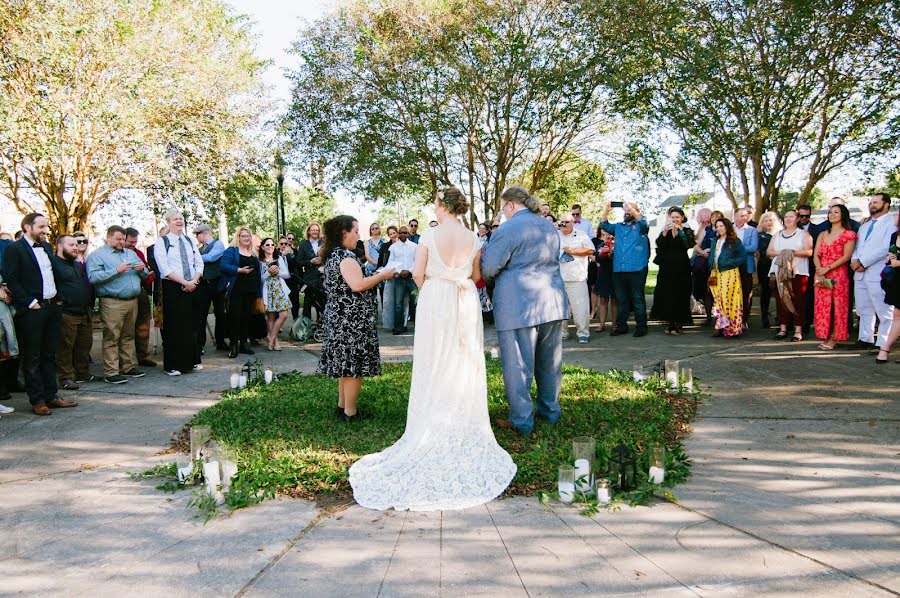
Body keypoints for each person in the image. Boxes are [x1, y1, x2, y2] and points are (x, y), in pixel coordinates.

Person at [349, 187, 515, 511]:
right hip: (465, 299)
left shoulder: (428, 235)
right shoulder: (473, 237)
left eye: (435, 202)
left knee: (434, 362)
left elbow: (418, 274)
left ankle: (433, 422)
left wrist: (436, 293)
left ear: (441, 206)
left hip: (437, 299)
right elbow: (477, 276)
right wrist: (458, 284)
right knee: (463, 362)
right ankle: (462, 420)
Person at [481, 186, 569, 436]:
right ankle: (550, 412)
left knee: (518, 364)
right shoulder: (548, 226)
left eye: (502, 208)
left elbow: (488, 269)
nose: (503, 213)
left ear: (510, 205)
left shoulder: (507, 229)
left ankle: (522, 421)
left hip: (518, 304)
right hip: (551, 300)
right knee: (549, 362)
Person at [317, 216, 394, 420]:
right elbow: (357, 285)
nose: (359, 236)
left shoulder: (333, 255)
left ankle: (343, 407)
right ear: (344, 233)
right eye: (356, 231)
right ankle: (351, 412)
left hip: (338, 317)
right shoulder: (346, 257)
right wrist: (382, 275)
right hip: (351, 321)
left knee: (345, 365)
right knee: (353, 368)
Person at [2, 213, 77, 415]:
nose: (45, 230)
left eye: (46, 226)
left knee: (49, 354)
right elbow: (12, 279)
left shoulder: (46, 247)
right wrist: (30, 302)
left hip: (53, 307)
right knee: (32, 357)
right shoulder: (14, 249)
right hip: (33, 309)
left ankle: (52, 396)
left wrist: (59, 298)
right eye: (41, 226)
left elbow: (50, 275)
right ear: (27, 227)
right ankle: (37, 400)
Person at [87, 225, 149, 384]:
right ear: (108, 238)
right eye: (118, 239)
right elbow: (93, 278)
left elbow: (145, 274)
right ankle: (111, 372)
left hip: (132, 300)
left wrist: (142, 269)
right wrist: (116, 270)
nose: (122, 242)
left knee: (128, 335)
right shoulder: (98, 255)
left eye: (123, 239)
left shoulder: (130, 253)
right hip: (112, 301)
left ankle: (128, 367)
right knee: (112, 336)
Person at [153, 210, 204, 376]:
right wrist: (184, 283)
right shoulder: (162, 242)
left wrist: (194, 281)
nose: (179, 221)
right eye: (175, 219)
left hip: (192, 286)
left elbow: (199, 263)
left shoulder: (189, 240)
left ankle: (193, 360)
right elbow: (164, 268)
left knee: (192, 325)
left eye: (181, 218)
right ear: (169, 222)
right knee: (175, 327)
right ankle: (173, 365)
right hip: (173, 287)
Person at [850, 193, 895, 352]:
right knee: (863, 308)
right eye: (870, 202)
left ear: (886, 204)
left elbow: (886, 247)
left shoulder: (892, 223)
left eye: (876, 202)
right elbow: (857, 247)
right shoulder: (865, 226)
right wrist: (855, 261)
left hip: (877, 271)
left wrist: (864, 262)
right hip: (860, 273)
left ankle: (883, 343)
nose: (872, 205)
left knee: (883, 309)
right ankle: (865, 338)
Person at [599, 201, 651, 337]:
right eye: (625, 210)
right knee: (621, 299)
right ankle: (622, 326)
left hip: (637, 269)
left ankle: (641, 327)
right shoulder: (618, 227)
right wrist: (607, 210)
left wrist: (632, 209)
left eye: (630, 210)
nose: (627, 212)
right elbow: (603, 225)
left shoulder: (640, 226)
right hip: (619, 269)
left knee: (637, 298)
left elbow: (644, 222)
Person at [812, 205, 857, 350]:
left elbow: (847, 256)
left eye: (836, 212)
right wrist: (820, 269)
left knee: (837, 307)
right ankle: (825, 334)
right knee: (822, 306)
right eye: (830, 212)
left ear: (843, 215)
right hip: (821, 273)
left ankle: (835, 337)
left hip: (838, 273)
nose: (832, 214)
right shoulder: (823, 234)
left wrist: (828, 268)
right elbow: (816, 254)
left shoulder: (849, 234)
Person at [54, 235, 94, 390]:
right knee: (65, 347)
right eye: (71, 245)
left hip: (84, 310)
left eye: (76, 244)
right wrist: (60, 300)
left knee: (84, 344)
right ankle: (65, 377)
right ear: (59, 246)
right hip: (67, 312)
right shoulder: (54, 263)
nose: (76, 247)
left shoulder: (76, 264)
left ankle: (82, 373)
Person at [767, 210, 813, 341]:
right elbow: (769, 252)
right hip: (779, 272)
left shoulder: (803, 234)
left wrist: (791, 252)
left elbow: (809, 251)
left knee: (798, 300)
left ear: (797, 219)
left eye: (791, 217)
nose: (788, 219)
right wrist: (782, 254)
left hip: (797, 271)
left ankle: (798, 330)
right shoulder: (777, 235)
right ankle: (783, 328)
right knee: (781, 300)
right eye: (786, 217)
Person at [650, 207, 695, 335]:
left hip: (681, 266)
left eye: (677, 217)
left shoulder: (686, 230)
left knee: (680, 293)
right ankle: (670, 323)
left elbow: (689, 244)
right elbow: (659, 244)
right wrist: (665, 232)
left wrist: (680, 232)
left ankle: (679, 323)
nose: (674, 219)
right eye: (672, 217)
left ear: (682, 218)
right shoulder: (665, 230)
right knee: (667, 293)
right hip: (667, 267)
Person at [219, 226, 261, 358]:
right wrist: (239, 270)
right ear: (238, 237)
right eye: (243, 236)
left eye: (248, 236)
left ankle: (243, 344)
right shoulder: (231, 251)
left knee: (247, 317)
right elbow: (223, 266)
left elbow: (258, 274)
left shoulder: (253, 253)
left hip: (251, 290)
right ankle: (234, 345)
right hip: (236, 289)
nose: (246, 238)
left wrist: (258, 292)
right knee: (235, 317)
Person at [557, 213, 595, 343]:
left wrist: (573, 251)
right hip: (558, 278)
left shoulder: (581, 234)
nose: (563, 225)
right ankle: (562, 332)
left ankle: (583, 333)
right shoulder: (555, 235)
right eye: (561, 222)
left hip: (576, 277)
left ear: (572, 222)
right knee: (559, 308)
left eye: (566, 222)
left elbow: (591, 250)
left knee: (580, 308)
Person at [708, 217, 748, 338]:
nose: (719, 228)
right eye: (717, 226)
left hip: (729, 273)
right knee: (718, 300)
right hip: (715, 273)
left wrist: (730, 262)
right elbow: (712, 255)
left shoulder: (735, 241)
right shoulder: (715, 240)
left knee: (729, 300)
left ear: (727, 227)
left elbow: (742, 257)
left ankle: (732, 328)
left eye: (722, 226)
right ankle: (720, 326)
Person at [123, 228, 157, 367]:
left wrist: (147, 273)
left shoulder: (138, 253)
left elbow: (146, 271)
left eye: (135, 242)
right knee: (127, 328)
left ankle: (143, 355)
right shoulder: (119, 254)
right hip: (125, 292)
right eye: (130, 242)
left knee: (144, 324)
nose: (133, 244)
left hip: (140, 289)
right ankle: (126, 360)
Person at [194, 223, 227, 351]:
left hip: (217, 283)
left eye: (197, 235)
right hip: (203, 285)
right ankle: (200, 344)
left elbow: (211, 258)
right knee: (201, 314)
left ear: (204, 234)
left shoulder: (218, 244)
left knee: (220, 313)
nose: (197, 238)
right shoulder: (200, 248)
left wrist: (194, 258)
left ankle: (220, 342)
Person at [259, 237, 291, 351]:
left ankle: (271, 338)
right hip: (268, 290)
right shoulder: (261, 262)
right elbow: (260, 280)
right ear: (262, 247)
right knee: (271, 316)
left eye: (272, 244)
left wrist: (278, 272)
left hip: (280, 289)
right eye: (267, 245)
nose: (270, 247)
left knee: (284, 315)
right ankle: (275, 341)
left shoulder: (279, 258)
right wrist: (268, 272)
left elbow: (287, 275)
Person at [875, 215, 899, 364]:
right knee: (897, 315)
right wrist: (891, 258)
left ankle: (885, 348)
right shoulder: (895, 235)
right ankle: (885, 349)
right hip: (897, 279)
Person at [386, 225, 418, 335]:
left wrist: (408, 271)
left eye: (405, 233)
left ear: (408, 234)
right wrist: (400, 271)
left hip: (411, 278)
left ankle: (418, 327)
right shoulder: (393, 247)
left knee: (415, 303)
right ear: (398, 234)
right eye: (401, 233)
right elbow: (391, 262)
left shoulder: (414, 246)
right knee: (398, 304)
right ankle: (399, 327)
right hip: (399, 278)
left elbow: (416, 261)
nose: (403, 234)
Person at [733, 207, 759, 324]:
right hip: (731, 265)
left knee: (745, 292)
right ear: (735, 216)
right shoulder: (729, 229)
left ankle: (744, 318)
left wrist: (736, 249)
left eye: (746, 215)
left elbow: (753, 248)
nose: (745, 217)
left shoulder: (752, 230)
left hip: (746, 265)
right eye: (742, 215)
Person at [756, 211, 782, 328]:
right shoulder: (760, 235)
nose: (768, 222)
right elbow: (762, 251)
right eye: (766, 220)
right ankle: (764, 316)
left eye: (771, 220)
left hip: (780, 265)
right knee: (765, 292)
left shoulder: (781, 234)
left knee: (780, 292)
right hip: (765, 265)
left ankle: (780, 317)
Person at [297, 223, 323, 322]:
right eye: (313, 230)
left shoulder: (324, 243)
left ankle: (321, 324)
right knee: (308, 301)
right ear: (308, 231)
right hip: (309, 277)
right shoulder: (303, 244)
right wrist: (310, 262)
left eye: (317, 230)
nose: (315, 232)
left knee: (322, 301)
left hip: (322, 276)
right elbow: (298, 262)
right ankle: (306, 326)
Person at [592, 228, 616, 333]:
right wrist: (602, 253)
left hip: (615, 275)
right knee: (602, 300)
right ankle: (601, 325)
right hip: (603, 275)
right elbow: (597, 258)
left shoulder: (619, 246)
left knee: (615, 301)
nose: (608, 236)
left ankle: (615, 325)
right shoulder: (600, 246)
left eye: (610, 234)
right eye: (606, 233)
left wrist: (611, 253)